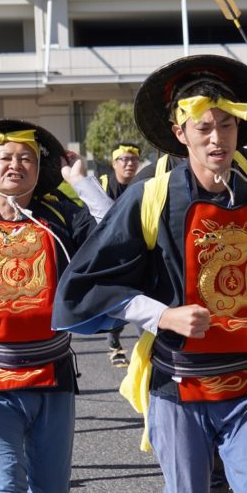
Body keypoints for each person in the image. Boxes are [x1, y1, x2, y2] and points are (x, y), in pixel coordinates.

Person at [52, 55, 247, 493]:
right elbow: (86, 284)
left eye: (226, 125)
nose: (217, 138)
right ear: (181, 133)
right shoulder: (149, 198)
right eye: (204, 127)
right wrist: (163, 315)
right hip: (179, 384)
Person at [0, 120, 96, 493]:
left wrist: (84, 184)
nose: (15, 166)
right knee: (4, 488)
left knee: (49, 490)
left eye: (25, 158)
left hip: (51, 374)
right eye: (4, 158)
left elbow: (113, 242)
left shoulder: (62, 217)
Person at [99, 142, 142, 367]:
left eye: (133, 159)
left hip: (138, 249)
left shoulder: (143, 182)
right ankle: (114, 343)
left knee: (143, 299)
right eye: (123, 159)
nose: (129, 163)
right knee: (118, 300)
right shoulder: (105, 184)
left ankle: (145, 349)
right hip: (113, 251)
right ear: (114, 163)